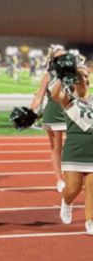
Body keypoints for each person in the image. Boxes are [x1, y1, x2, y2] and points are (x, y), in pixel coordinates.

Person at [52, 61, 93, 233]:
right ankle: (67, 201)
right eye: (80, 76)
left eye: (86, 76)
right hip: (74, 150)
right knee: (72, 189)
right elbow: (55, 94)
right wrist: (63, 75)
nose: (85, 78)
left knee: (92, 186)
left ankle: (90, 220)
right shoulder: (68, 100)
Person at [30, 44, 68, 192]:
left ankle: (77, 174)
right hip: (54, 114)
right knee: (57, 147)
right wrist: (29, 113)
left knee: (78, 145)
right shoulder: (48, 76)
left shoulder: (75, 74)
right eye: (59, 57)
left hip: (72, 113)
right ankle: (60, 180)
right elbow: (39, 98)